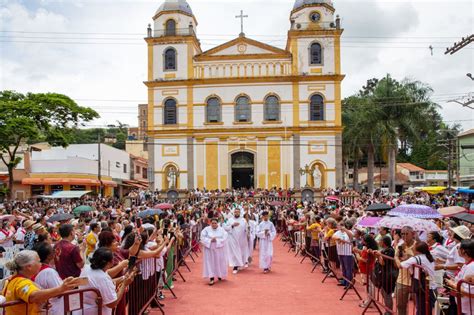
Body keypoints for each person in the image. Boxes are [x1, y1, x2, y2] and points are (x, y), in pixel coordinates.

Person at [2, 250, 78, 315]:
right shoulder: (21, 282)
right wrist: (61, 288)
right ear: (29, 267)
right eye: (38, 261)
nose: (41, 264)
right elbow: (33, 296)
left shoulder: (11, 279)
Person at [78, 247, 135, 315]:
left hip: (83, 309)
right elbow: (112, 303)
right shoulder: (102, 277)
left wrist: (123, 278)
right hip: (96, 311)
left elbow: (104, 283)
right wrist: (124, 285)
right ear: (108, 263)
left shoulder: (87, 268)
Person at [397, 242, 437, 315]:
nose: (412, 247)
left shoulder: (416, 258)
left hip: (423, 288)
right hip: (432, 287)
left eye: (414, 246)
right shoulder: (429, 257)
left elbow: (400, 265)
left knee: (421, 310)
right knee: (427, 310)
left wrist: (396, 257)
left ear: (417, 250)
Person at [33, 242, 65, 314]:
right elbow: (60, 292)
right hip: (51, 309)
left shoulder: (33, 269)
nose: (54, 252)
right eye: (52, 251)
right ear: (49, 256)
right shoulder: (49, 272)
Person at [445, 239, 474, 315]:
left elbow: (470, 293)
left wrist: (452, 284)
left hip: (470, 310)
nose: (457, 250)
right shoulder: (466, 264)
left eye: (458, 248)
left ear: (463, 251)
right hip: (464, 307)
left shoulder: (471, 267)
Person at [394, 226, 417, 315]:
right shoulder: (399, 246)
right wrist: (398, 259)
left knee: (418, 306)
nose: (404, 236)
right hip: (401, 280)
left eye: (406, 234)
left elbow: (421, 260)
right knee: (400, 305)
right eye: (402, 234)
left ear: (413, 234)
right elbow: (397, 264)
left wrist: (409, 258)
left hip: (415, 280)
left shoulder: (417, 245)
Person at [200, 218, 228, 285]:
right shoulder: (206, 229)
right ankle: (211, 278)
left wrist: (217, 240)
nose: (214, 224)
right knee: (210, 263)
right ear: (210, 223)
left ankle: (219, 275)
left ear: (217, 223)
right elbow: (202, 237)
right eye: (212, 223)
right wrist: (209, 241)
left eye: (215, 223)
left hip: (218, 249)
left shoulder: (221, 229)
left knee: (219, 262)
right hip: (209, 249)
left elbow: (224, 238)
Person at [223, 208, 248, 274]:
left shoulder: (243, 220)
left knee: (241, 252)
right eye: (235, 212)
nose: (237, 213)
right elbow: (225, 228)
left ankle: (240, 263)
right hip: (233, 238)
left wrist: (247, 233)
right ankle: (235, 266)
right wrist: (232, 225)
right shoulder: (230, 220)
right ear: (234, 212)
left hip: (241, 239)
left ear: (240, 213)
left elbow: (246, 229)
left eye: (238, 212)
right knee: (234, 252)